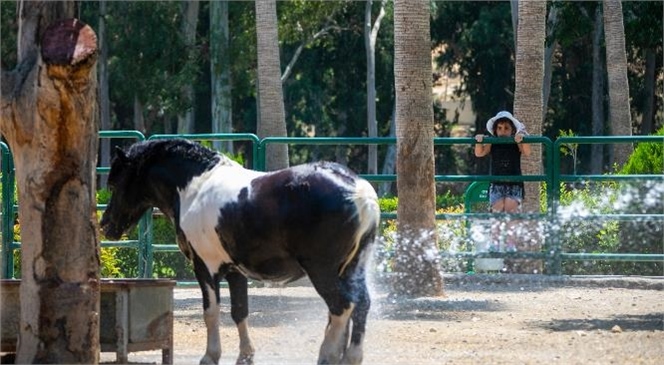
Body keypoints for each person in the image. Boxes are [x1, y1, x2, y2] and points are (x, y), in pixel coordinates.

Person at [474, 111, 531, 251]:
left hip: (514, 182)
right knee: (497, 212)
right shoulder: (492, 142)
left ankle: (511, 243)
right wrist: (479, 141)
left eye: (506, 128)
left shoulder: (515, 141)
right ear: (495, 130)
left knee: (511, 212)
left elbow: (527, 152)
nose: (502, 131)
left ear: (512, 130)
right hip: (497, 183)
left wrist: (521, 139)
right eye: (499, 128)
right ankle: (494, 242)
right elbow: (479, 153)